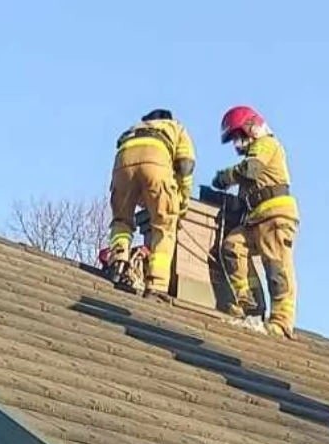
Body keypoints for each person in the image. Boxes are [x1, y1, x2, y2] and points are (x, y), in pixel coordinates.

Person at [211, 106, 300, 338]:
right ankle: (252, 307)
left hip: (275, 215)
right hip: (256, 219)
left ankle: (281, 322)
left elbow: (251, 170)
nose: (237, 143)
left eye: (238, 135)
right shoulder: (251, 156)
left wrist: (225, 177)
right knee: (233, 247)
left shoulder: (266, 144)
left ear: (251, 127)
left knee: (276, 266)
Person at [107, 109, 195, 302]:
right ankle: (156, 285)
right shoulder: (175, 127)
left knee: (121, 220)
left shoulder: (134, 128)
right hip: (156, 160)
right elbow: (185, 165)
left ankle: (118, 262)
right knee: (164, 226)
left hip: (123, 162)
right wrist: (182, 201)